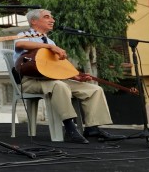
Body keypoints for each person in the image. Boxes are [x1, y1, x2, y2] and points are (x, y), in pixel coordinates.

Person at [13, 9, 125, 144]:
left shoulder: (50, 42)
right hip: (30, 81)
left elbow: (55, 68)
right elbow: (20, 44)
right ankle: (70, 128)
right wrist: (50, 47)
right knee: (60, 86)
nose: (52, 20)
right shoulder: (25, 35)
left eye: (52, 17)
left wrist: (74, 76)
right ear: (34, 21)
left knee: (93, 89)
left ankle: (93, 128)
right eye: (47, 17)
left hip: (52, 79)